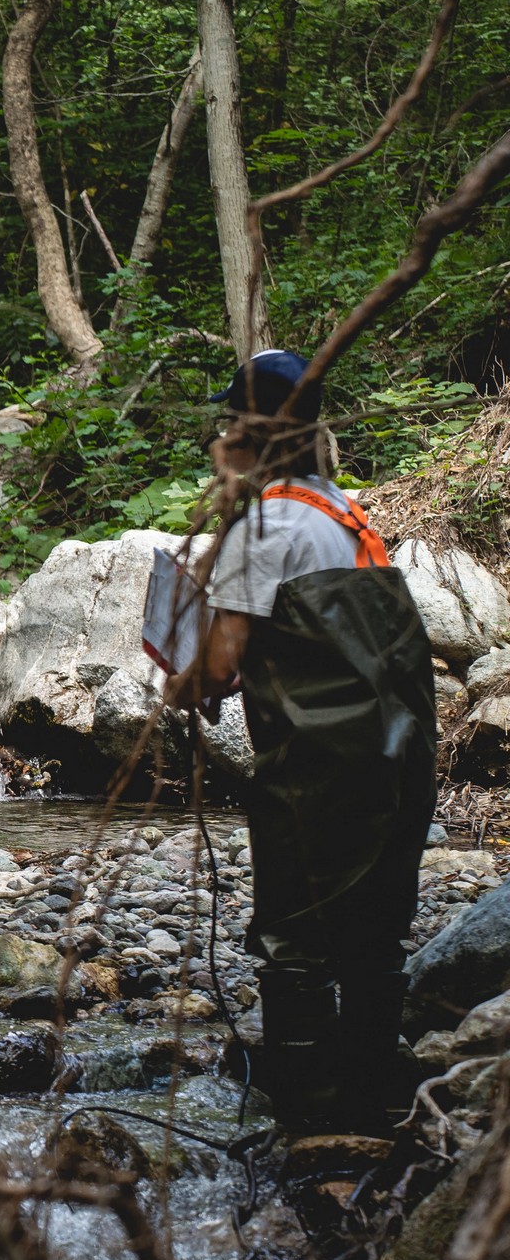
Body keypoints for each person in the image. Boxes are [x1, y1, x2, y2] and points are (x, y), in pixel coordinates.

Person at [163, 349, 437, 1131]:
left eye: (230, 420)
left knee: (296, 940)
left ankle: (309, 1112)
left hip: (323, 763)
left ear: (251, 430)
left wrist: (179, 683)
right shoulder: (343, 510)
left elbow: (218, 666)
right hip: (404, 752)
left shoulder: (265, 524)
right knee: (377, 936)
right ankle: (376, 1090)